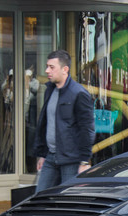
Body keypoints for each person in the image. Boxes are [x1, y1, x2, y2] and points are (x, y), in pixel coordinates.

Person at [34, 50, 95, 193]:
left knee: (69, 199)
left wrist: (85, 161)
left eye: (51, 67)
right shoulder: (50, 90)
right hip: (50, 156)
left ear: (65, 69)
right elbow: (45, 124)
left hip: (71, 160)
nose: (46, 70)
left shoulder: (79, 93)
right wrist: (43, 154)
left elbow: (87, 129)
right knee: (40, 197)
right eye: (47, 66)